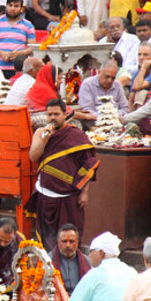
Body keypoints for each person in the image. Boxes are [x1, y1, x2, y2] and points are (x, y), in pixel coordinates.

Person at [25, 99, 98, 252]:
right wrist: (45, 138)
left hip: (69, 195)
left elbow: (88, 164)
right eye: (49, 114)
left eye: (56, 114)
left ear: (65, 114)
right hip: (46, 193)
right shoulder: (41, 133)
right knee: (47, 238)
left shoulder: (76, 136)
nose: (53, 117)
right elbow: (33, 156)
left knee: (70, 236)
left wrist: (85, 192)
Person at [0, 0, 36, 74]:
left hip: (18, 68)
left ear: (21, 9)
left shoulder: (28, 25)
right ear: (6, 6)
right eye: (10, 5)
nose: (12, 8)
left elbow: (33, 48)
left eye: (16, 6)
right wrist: (1, 53)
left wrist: (19, 53)